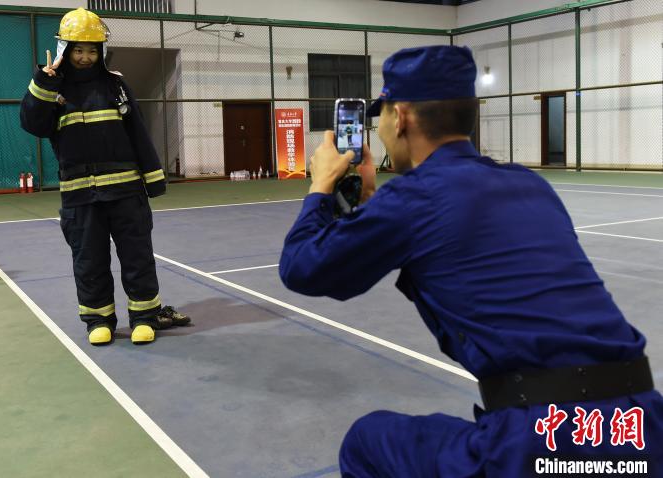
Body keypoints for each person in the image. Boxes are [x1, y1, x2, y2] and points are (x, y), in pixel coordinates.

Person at [279, 45, 662, 477]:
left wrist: (321, 187)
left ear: (400, 117)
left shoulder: (413, 198)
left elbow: (302, 267)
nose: (380, 129)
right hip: (641, 424)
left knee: (368, 441)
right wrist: (367, 205)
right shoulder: (529, 185)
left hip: (542, 439)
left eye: (381, 115)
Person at [20, 8, 189, 345]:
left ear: (101, 51)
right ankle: (98, 320)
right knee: (88, 260)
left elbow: (137, 131)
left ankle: (143, 317)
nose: (85, 57)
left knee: (137, 256)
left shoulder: (115, 85)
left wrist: (153, 178)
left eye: (92, 49)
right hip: (80, 197)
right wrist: (44, 84)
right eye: (79, 49)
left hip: (126, 192)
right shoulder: (52, 87)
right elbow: (33, 124)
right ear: (65, 48)